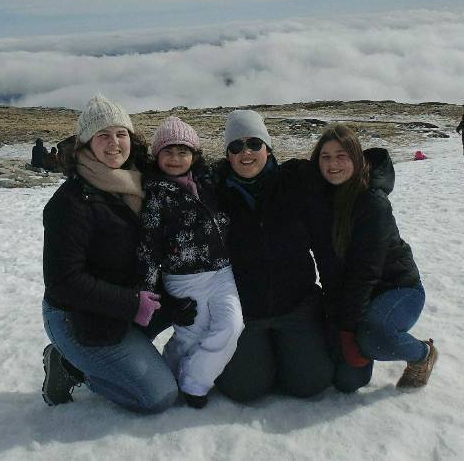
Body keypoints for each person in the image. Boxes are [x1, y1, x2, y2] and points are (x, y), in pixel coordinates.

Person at [41, 95, 197, 412]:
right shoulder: (71, 202)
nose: (114, 143)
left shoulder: (139, 183)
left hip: (125, 306)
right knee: (159, 395)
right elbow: (63, 282)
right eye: (103, 135)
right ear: (86, 143)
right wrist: (131, 304)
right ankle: (69, 364)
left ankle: (120, 355)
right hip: (78, 318)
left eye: (121, 133)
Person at [213, 109, 335, 402]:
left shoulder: (297, 182)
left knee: (311, 383)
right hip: (246, 313)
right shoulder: (214, 191)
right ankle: (265, 355)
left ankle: (287, 352)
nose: (246, 153)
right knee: (244, 389)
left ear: (267, 148)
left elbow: (344, 172)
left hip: (296, 306)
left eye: (254, 143)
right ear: (228, 155)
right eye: (236, 146)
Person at [310, 124, 438, 390]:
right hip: (355, 296)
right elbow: (328, 267)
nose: (333, 164)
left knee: (373, 336)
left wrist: (347, 331)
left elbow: (364, 273)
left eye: (341, 156)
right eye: (326, 157)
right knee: (347, 381)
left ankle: (422, 354)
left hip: (398, 288)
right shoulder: (320, 199)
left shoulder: (372, 203)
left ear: (356, 158)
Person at [137, 116, 244, 409]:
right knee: (190, 335)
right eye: (168, 152)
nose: (175, 158)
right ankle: (167, 376)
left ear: (194, 155)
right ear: (157, 155)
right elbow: (148, 246)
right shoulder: (155, 194)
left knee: (231, 326)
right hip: (183, 277)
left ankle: (195, 381)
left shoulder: (209, 182)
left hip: (222, 273)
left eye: (182, 151)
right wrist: (147, 291)